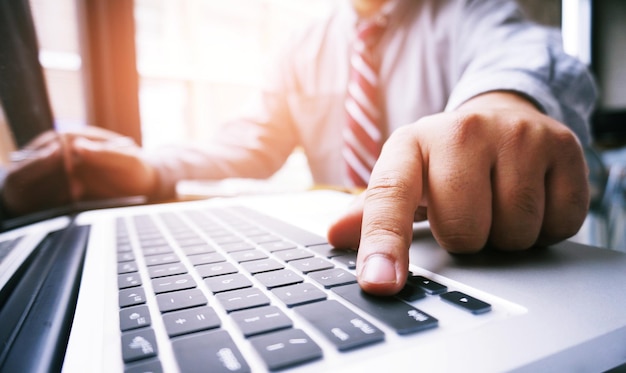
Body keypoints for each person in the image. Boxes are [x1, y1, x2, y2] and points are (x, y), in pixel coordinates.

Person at [1, 0, 596, 296]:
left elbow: (524, 55)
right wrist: (146, 167)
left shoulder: (469, 12)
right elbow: (247, 146)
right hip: (347, 263)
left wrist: (501, 104)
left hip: (475, 268)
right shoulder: (306, 42)